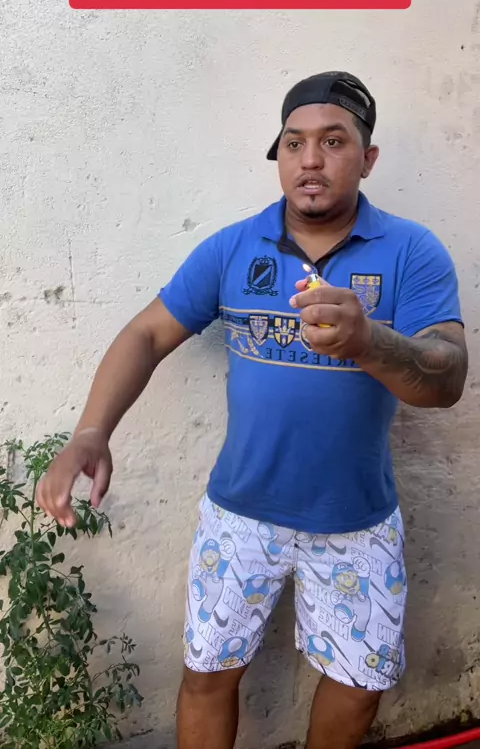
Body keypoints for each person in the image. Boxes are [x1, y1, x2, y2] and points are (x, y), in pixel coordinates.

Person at [36, 71, 468, 749]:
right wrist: (92, 430)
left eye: (333, 141)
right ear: (279, 155)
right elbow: (147, 333)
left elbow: (447, 378)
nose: (311, 159)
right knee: (209, 674)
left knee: (359, 685)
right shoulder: (234, 248)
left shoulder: (412, 252)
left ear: (367, 158)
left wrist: (367, 340)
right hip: (238, 517)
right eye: (294, 143)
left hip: (356, 520)